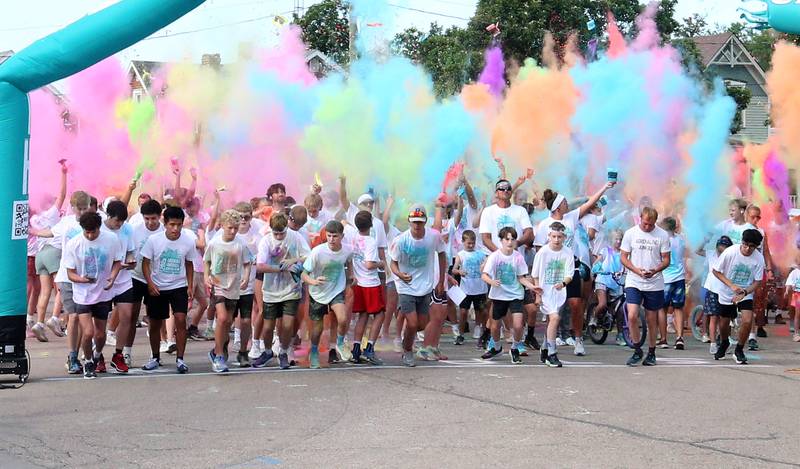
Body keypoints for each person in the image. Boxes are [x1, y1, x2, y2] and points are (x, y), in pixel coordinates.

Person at [533, 182, 615, 356]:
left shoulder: (571, 217)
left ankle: (578, 340)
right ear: (557, 208)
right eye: (564, 203)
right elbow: (539, 251)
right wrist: (538, 281)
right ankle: (550, 342)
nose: (567, 204)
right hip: (552, 272)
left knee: (576, 304)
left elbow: (589, 203)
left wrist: (605, 187)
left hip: (572, 268)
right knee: (553, 309)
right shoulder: (544, 225)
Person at [62, 212, 124, 379]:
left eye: (93, 232)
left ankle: (97, 356)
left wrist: (113, 276)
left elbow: (118, 261)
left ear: (99, 228)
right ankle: (88, 361)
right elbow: (70, 273)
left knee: (100, 334)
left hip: (103, 293)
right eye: (86, 232)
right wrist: (82, 279)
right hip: (82, 294)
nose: (90, 235)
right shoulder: (74, 244)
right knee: (88, 333)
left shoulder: (111, 239)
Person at [140, 206, 196, 373]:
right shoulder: (154, 240)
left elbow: (189, 263)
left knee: (180, 319)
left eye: (179, 225)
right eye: (172, 224)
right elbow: (145, 263)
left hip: (179, 286)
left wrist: (190, 285)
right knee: (155, 323)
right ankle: (155, 356)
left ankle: (180, 359)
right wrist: (150, 283)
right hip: (158, 286)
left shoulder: (188, 241)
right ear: (165, 223)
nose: (175, 229)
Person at [389, 204, 446, 367]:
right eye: (414, 222)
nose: (417, 225)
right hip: (405, 286)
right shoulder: (400, 240)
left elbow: (442, 254)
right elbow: (393, 263)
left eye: (420, 222)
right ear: (409, 221)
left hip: (426, 285)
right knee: (413, 323)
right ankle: (407, 351)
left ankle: (407, 336)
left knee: (420, 324)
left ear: (425, 222)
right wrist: (399, 274)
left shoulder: (433, 236)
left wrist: (441, 280)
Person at [255, 212, 309, 370]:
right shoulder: (266, 240)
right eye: (276, 233)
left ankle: (283, 352)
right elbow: (260, 265)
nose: (279, 236)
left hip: (291, 288)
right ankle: (267, 351)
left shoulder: (295, 237)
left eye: (282, 233)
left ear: (287, 227)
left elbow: (309, 255)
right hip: (271, 290)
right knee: (268, 326)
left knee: (287, 325)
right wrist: (281, 268)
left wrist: (294, 260)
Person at [620, 206, 671, 367]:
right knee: (632, 314)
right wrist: (636, 270)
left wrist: (655, 270)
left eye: (651, 224)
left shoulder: (662, 235)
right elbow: (623, 257)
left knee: (651, 318)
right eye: (645, 223)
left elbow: (666, 260)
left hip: (654, 282)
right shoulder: (631, 233)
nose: (648, 227)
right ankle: (636, 349)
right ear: (640, 218)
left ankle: (651, 351)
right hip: (634, 280)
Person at [480, 227, 539, 364]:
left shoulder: (518, 257)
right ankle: (496, 346)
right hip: (498, 295)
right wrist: (492, 282)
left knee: (518, 325)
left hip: (515, 295)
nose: (510, 242)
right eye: (507, 239)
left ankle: (515, 347)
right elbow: (484, 275)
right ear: (501, 240)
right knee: (494, 326)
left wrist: (533, 287)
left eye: (513, 239)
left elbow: (521, 277)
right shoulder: (495, 256)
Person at [301, 220, 354, 369]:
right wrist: (313, 281)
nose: (331, 239)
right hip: (318, 293)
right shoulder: (318, 251)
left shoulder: (347, 250)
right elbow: (304, 274)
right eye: (329, 236)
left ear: (342, 236)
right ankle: (314, 351)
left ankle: (340, 343)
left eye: (335, 236)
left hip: (336, 290)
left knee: (342, 318)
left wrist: (351, 274)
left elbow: (349, 261)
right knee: (317, 329)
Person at [205, 210, 251, 373]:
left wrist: (245, 277)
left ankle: (215, 350)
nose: (233, 231)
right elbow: (207, 261)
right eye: (230, 228)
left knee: (227, 323)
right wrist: (206, 277)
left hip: (233, 285)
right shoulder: (215, 243)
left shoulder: (241, 243)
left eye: (235, 228)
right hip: (218, 284)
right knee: (222, 318)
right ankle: (219, 356)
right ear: (222, 226)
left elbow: (247, 262)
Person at [710, 229, 765, 364]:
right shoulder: (730, 252)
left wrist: (745, 293)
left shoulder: (758, 258)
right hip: (726, 291)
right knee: (723, 322)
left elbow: (758, 281)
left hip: (745, 292)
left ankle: (739, 349)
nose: (747, 249)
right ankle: (724, 342)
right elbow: (716, 271)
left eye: (751, 246)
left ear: (756, 247)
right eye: (745, 244)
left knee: (747, 319)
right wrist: (731, 286)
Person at [27, 160, 67, 341]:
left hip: (40, 256)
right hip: (53, 252)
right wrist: (63, 173)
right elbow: (62, 194)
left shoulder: (34, 219)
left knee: (44, 291)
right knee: (61, 288)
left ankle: (39, 323)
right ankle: (54, 318)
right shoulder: (51, 213)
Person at [100, 201, 137, 373]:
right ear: (108, 216)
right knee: (99, 320)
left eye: (122, 221)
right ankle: (97, 354)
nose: (119, 224)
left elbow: (130, 250)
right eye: (116, 221)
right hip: (104, 280)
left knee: (127, 316)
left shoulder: (127, 229)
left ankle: (118, 354)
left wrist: (129, 259)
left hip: (123, 279)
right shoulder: (99, 229)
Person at [126, 199, 164, 367]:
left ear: (160, 216)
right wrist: (129, 260)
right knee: (131, 316)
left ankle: (154, 355)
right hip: (136, 276)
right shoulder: (134, 231)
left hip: (156, 280)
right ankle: (126, 352)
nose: (150, 222)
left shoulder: (164, 231)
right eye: (147, 218)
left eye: (153, 218)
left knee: (154, 319)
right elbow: (127, 251)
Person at [531, 222, 574, 367]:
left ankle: (544, 348)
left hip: (559, 292)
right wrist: (538, 295)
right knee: (555, 318)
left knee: (552, 322)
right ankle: (552, 353)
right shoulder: (542, 252)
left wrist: (563, 283)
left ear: (564, 237)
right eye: (554, 236)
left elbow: (570, 274)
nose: (556, 240)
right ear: (549, 236)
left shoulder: (568, 252)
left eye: (559, 237)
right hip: (545, 292)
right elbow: (535, 275)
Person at [349, 210, 386, 365]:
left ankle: (356, 349)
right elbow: (370, 264)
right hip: (370, 283)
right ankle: (369, 347)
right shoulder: (370, 241)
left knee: (362, 315)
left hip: (358, 282)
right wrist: (381, 263)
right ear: (371, 224)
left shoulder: (353, 238)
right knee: (380, 314)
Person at [590, 229, 625, 346]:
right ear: (611, 240)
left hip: (617, 282)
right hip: (603, 280)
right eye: (616, 239)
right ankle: (594, 317)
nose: (618, 241)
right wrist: (597, 269)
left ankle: (620, 335)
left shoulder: (624, 253)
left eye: (620, 239)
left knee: (620, 310)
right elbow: (596, 264)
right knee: (603, 304)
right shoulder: (605, 251)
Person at [452, 230, 488, 346]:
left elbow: (487, 264)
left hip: (480, 288)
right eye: (468, 243)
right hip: (466, 288)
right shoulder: (461, 255)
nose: (471, 245)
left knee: (480, 310)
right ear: (463, 242)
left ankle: (478, 328)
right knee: (463, 312)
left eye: (473, 243)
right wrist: (459, 271)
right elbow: (454, 269)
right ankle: (461, 334)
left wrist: (485, 267)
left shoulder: (480, 254)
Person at [701, 236, 733, 354]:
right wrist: (705, 240)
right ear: (717, 246)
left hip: (725, 290)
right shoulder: (711, 254)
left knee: (725, 318)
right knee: (713, 316)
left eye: (726, 246)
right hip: (713, 289)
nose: (723, 248)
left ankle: (725, 340)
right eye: (721, 245)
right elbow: (698, 251)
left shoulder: (731, 257)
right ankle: (713, 343)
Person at [660, 217, 688, 350]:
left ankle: (664, 339)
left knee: (663, 308)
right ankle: (679, 337)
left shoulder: (663, 240)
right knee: (678, 308)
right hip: (679, 277)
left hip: (665, 277)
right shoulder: (680, 239)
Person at [784, 257, 800, 342]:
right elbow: (789, 282)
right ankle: (796, 333)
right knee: (798, 313)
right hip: (798, 294)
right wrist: (786, 291)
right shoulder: (795, 272)